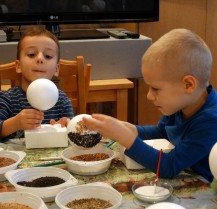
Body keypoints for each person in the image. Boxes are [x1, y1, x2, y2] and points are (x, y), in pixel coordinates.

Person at [83, 28, 217, 182]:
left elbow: (169, 167)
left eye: (156, 88)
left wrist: (124, 137)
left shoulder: (211, 121)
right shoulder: (181, 103)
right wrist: (132, 129)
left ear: (188, 85)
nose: (149, 96)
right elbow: (161, 132)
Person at [0, 26, 74, 142]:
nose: (40, 58)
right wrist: (15, 123)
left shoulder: (62, 100)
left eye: (48, 56)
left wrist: (67, 127)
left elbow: (74, 134)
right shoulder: (6, 99)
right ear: (18, 66)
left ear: (56, 69)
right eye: (31, 54)